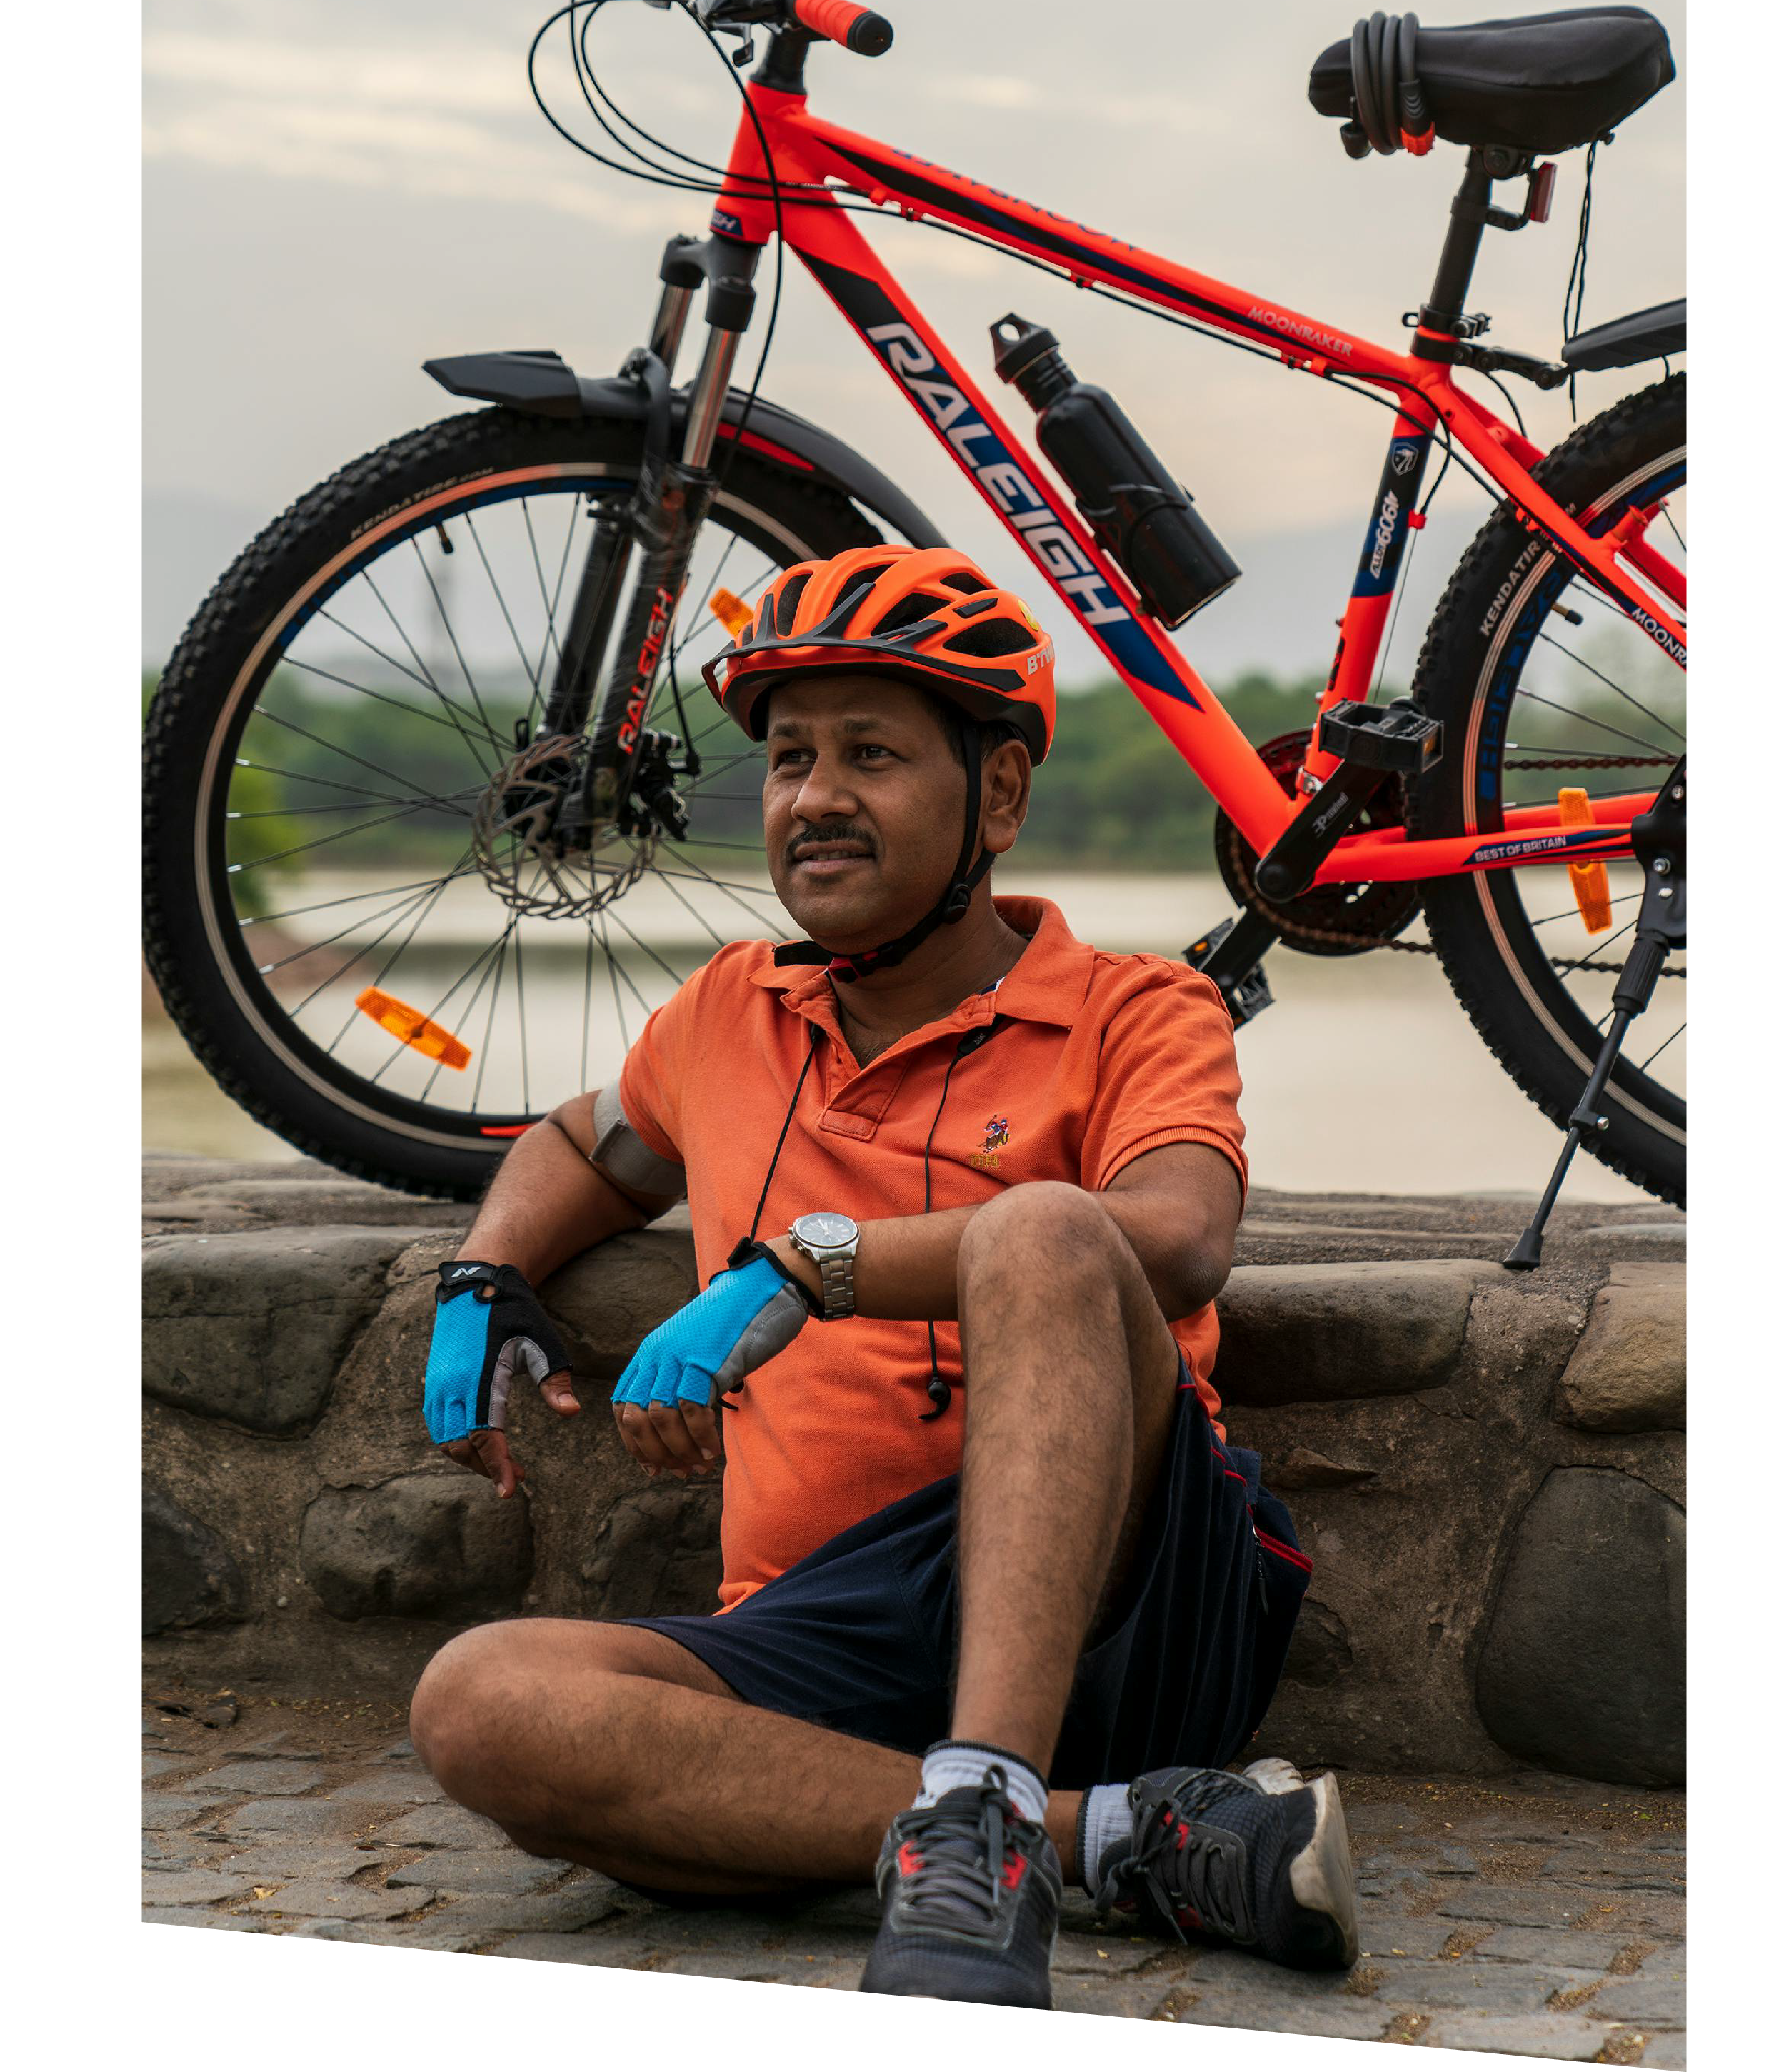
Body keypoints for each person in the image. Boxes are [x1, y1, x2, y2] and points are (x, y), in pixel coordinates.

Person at [410, 543, 1358, 2008]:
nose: (814, 797)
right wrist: (482, 1275)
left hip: (1119, 1592)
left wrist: (814, 1265)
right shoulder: (729, 1010)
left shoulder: (1133, 1007)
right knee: (479, 1703)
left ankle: (988, 1797)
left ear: (996, 797)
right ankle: (1104, 1838)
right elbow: (587, 1141)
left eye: (870, 754)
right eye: (789, 758)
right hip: (821, 1633)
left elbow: (1172, 1233)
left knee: (1045, 1229)